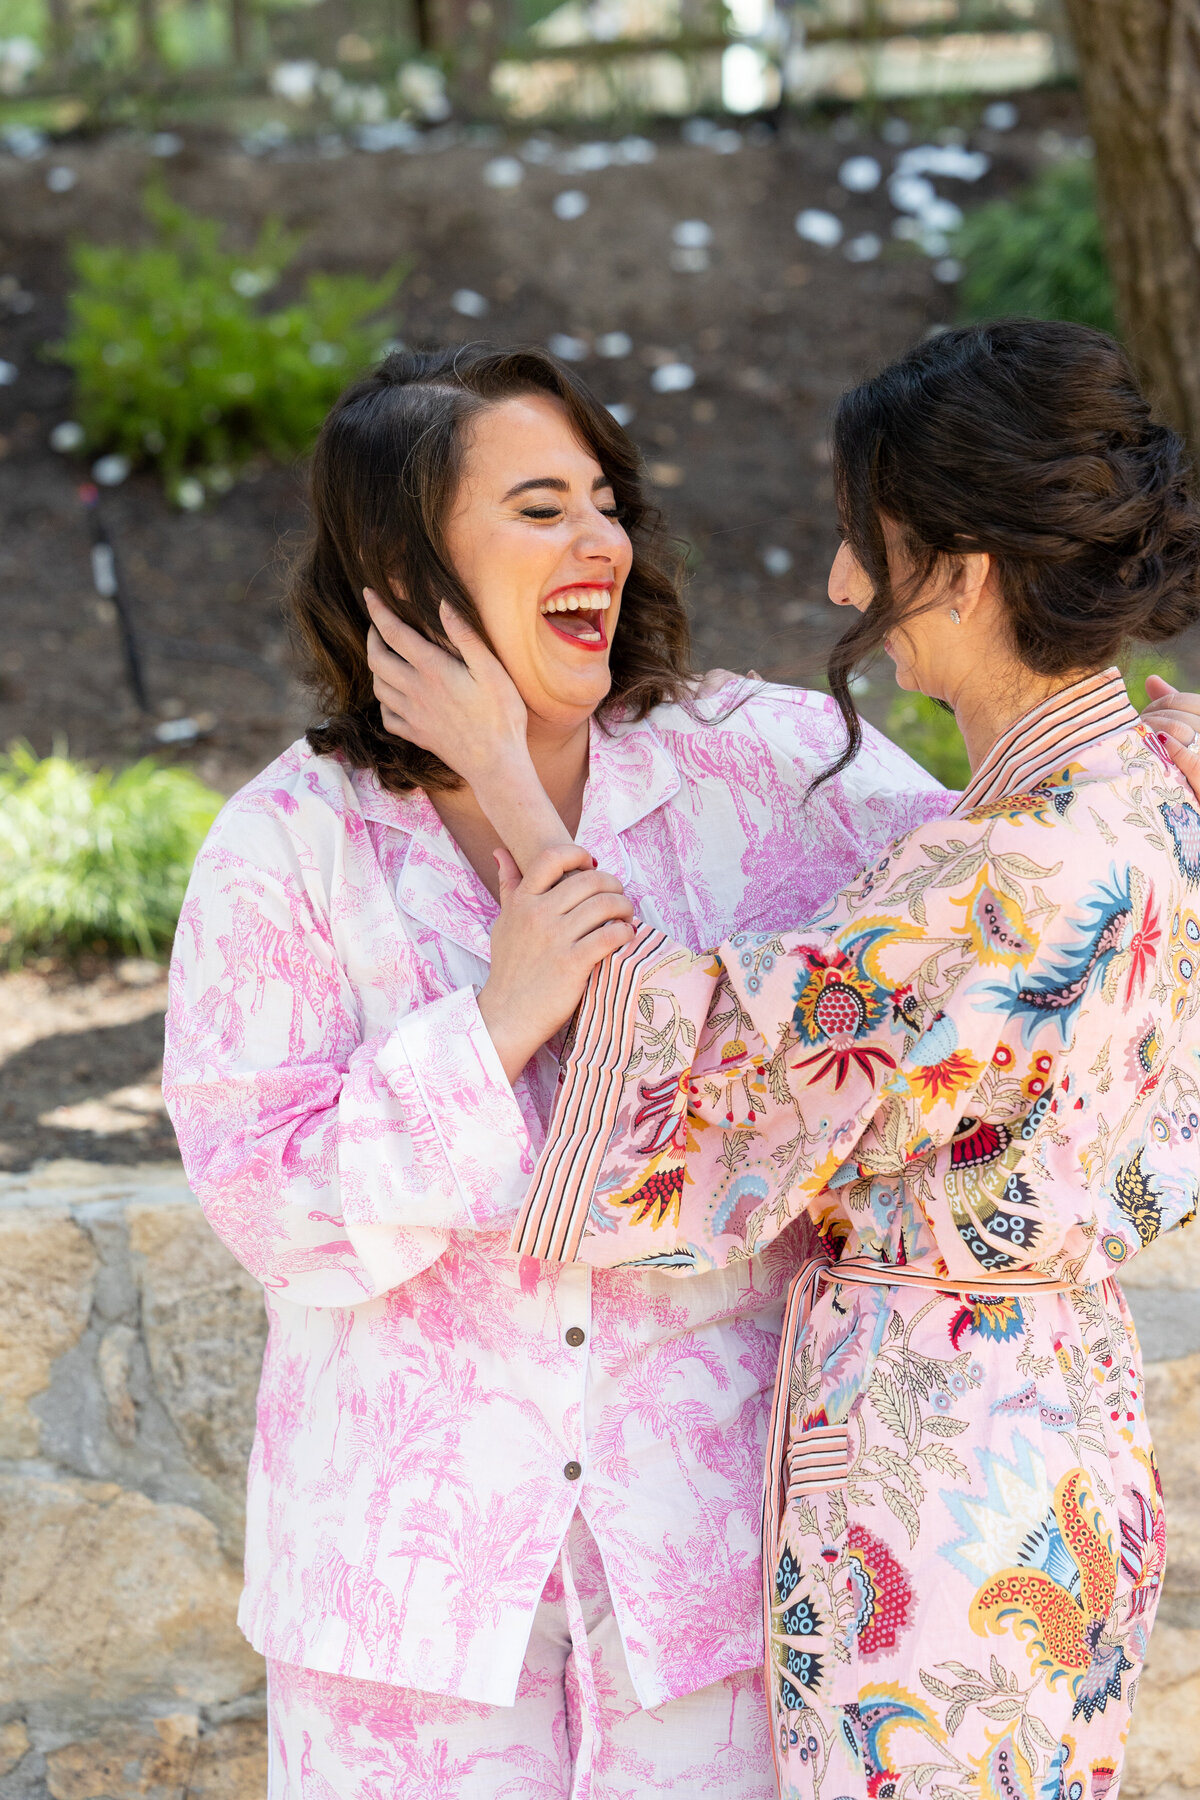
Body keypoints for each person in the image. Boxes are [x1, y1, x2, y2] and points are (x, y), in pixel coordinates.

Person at [373, 322, 1200, 1800]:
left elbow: (714, 1053)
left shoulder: (1001, 875)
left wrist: (503, 775)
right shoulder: (1163, 792)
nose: (837, 589)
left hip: (936, 1458)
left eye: (861, 546)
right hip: (1063, 1410)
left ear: (966, 571)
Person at [166, 343, 989, 1799]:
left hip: (706, 1591)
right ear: (405, 563)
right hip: (404, 1631)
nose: (600, 539)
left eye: (605, 502)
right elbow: (264, 1203)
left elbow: (1012, 896)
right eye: (539, 507)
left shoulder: (770, 771)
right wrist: (487, 1033)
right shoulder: (285, 846)